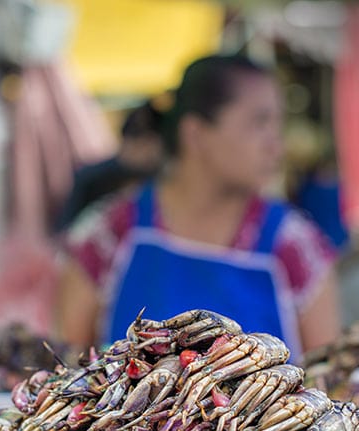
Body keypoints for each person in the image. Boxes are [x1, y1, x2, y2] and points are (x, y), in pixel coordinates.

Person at [54, 54, 342, 357]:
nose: (276, 144)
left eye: (277, 125)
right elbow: (70, 365)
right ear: (196, 133)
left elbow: (325, 380)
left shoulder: (296, 246)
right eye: (259, 123)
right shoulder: (111, 234)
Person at [56, 101, 164, 232]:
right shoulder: (92, 179)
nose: (149, 151)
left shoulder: (164, 178)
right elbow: (68, 232)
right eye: (144, 143)